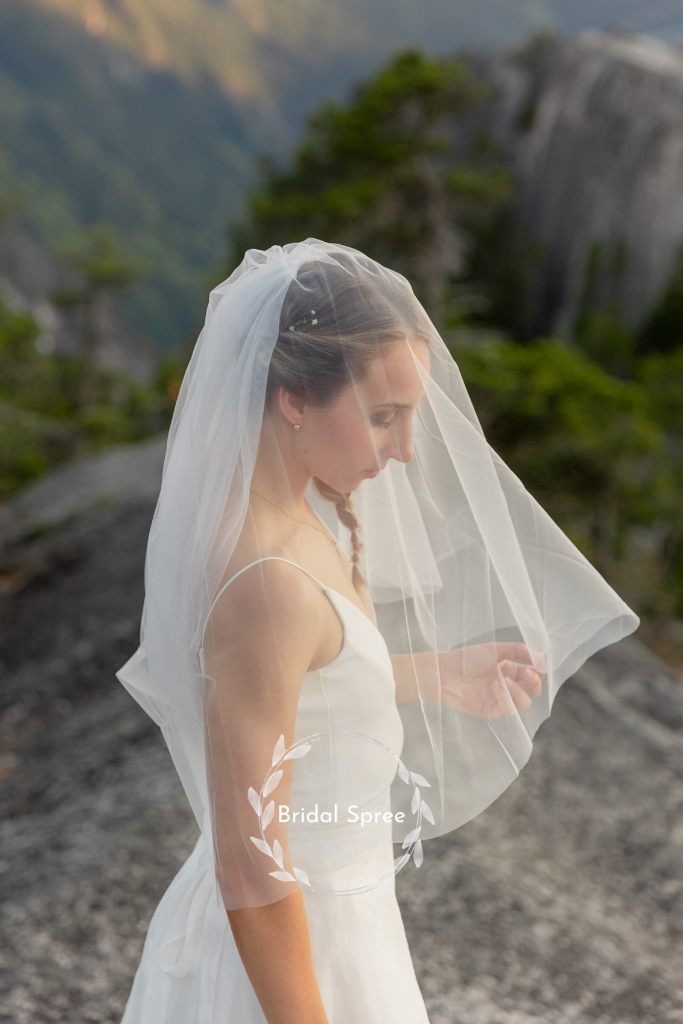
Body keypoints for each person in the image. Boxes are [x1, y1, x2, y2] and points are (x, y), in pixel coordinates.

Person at [116, 240, 639, 1024]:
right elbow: (250, 869)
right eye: (383, 417)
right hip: (292, 959)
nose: (402, 449)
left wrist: (436, 673)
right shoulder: (265, 583)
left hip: (346, 924)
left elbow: (309, 683)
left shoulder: (299, 514)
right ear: (295, 398)